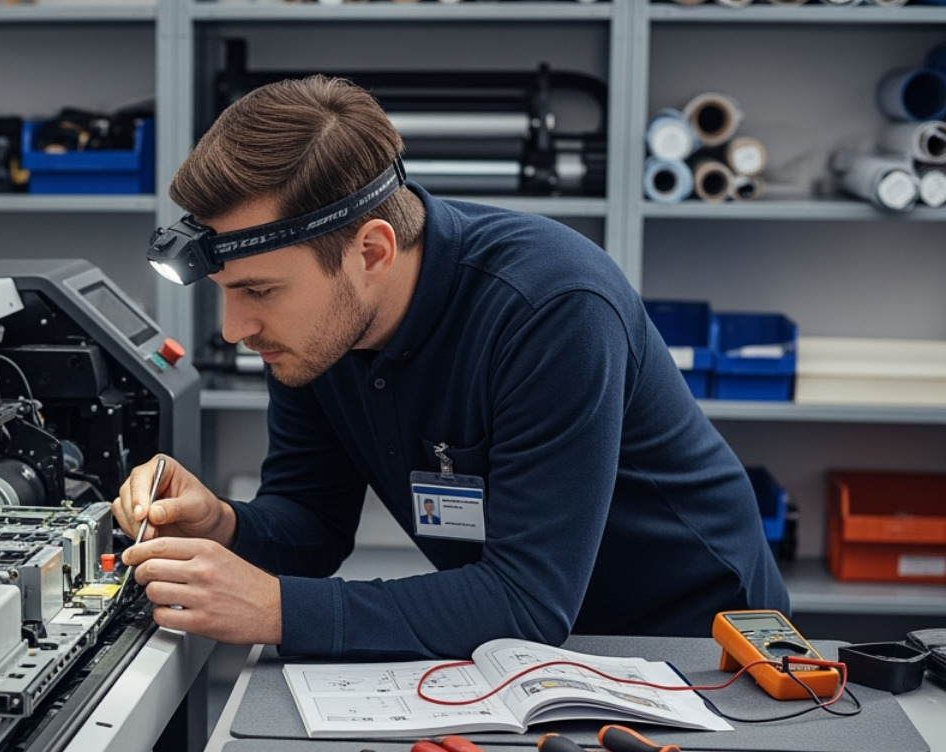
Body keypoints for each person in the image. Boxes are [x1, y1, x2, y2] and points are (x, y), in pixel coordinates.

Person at [117, 75, 787, 660]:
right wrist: (222, 526)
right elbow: (312, 524)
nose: (235, 330)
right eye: (224, 293)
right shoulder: (316, 329)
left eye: (258, 291)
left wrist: (279, 610)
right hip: (525, 649)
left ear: (372, 252)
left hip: (699, 639)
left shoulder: (551, 306)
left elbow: (527, 599)